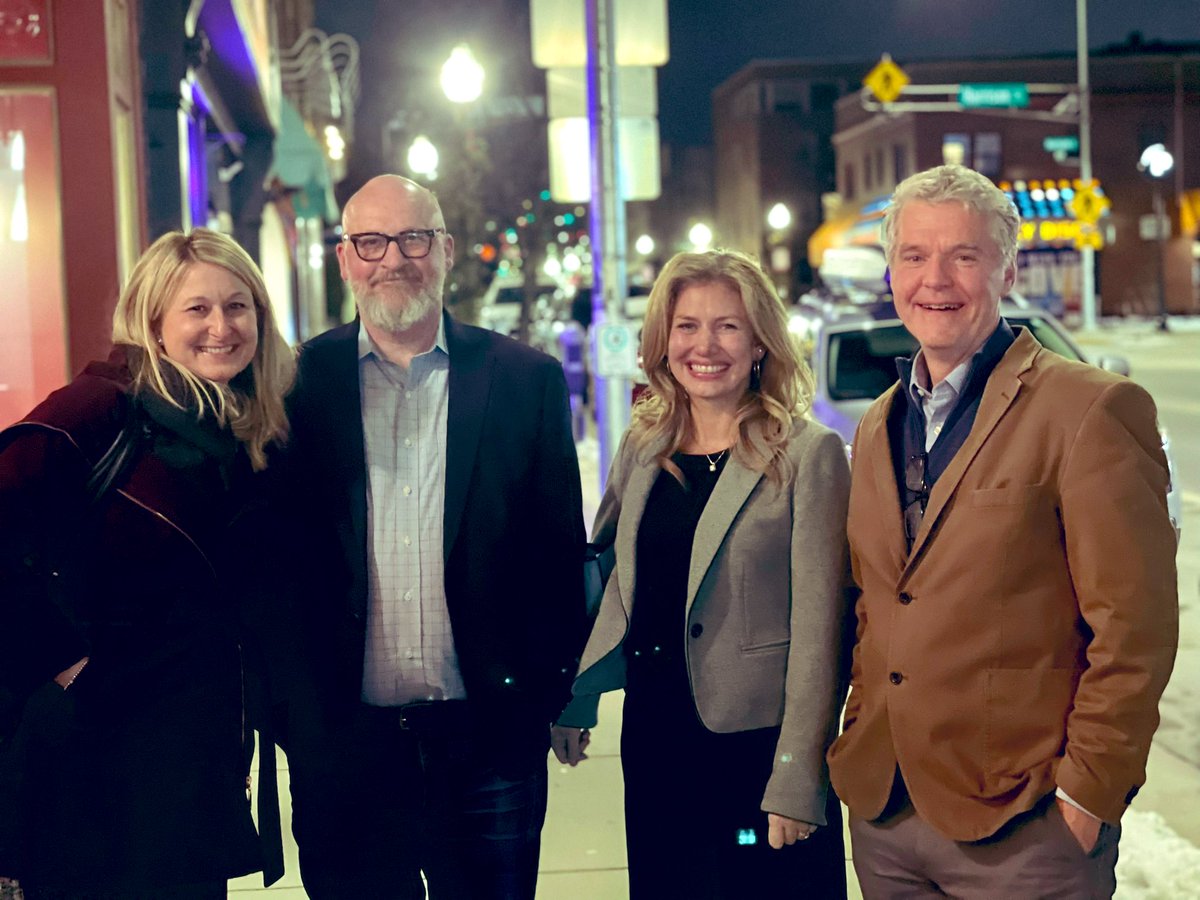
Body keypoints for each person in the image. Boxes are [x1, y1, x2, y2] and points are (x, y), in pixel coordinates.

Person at [826, 164, 1179, 898]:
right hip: (888, 816)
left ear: (1008, 269)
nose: (936, 279)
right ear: (891, 271)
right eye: (914, 256)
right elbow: (875, 601)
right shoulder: (880, 420)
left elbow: (1134, 630)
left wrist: (1087, 796)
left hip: (1025, 827)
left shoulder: (1091, 409)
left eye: (964, 254)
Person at [278, 174, 587, 899]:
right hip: (346, 747)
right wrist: (290, 714)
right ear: (345, 258)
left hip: (488, 742)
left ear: (446, 250)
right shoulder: (292, 386)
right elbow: (274, 566)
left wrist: (556, 694)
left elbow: (555, 556)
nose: (394, 259)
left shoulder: (525, 382)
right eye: (372, 242)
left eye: (414, 238)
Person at [0, 228, 295, 898]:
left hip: (193, 758)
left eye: (238, 306)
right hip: (93, 758)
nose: (221, 326)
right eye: (198, 309)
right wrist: (65, 662)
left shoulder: (246, 433)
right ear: (153, 322)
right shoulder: (96, 412)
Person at [552, 249, 852, 898]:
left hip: (758, 752)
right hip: (658, 739)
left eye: (728, 326)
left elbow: (821, 633)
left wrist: (799, 776)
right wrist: (574, 698)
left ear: (760, 345)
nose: (704, 345)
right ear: (663, 342)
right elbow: (606, 573)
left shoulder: (808, 454)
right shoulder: (643, 445)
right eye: (687, 326)